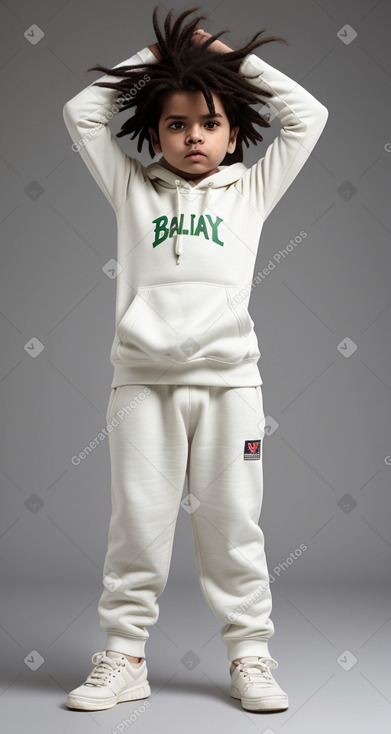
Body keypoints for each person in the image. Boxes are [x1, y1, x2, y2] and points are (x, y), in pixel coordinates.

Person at [63, 5, 328, 713]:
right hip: (141, 383)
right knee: (136, 523)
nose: (193, 137)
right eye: (176, 124)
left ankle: (250, 656)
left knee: (233, 523)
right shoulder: (132, 190)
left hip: (230, 385)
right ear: (154, 131)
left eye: (209, 123)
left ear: (234, 131)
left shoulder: (250, 191)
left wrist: (223, 55)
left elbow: (306, 115)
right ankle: (123, 659)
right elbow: (81, 113)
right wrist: (156, 55)